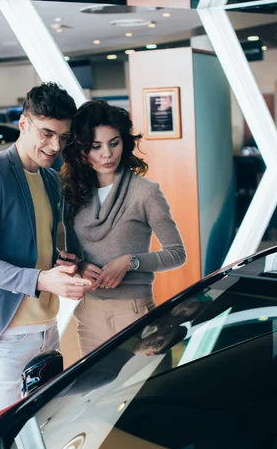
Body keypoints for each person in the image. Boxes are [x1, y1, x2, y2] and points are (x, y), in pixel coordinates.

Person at [0, 82, 92, 414]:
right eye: (46, 133)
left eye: (63, 136)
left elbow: (35, 248)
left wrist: (67, 263)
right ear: (23, 124)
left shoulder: (49, 180)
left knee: (44, 424)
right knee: (7, 430)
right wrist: (43, 280)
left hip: (46, 327)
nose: (55, 145)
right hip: (4, 333)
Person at [59, 99, 186, 356]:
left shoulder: (146, 192)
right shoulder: (72, 193)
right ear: (82, 151)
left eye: (114, 143)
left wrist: (130, 262)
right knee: (96, 395)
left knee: (144, 394)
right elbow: (69, 252)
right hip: (89, 311)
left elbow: (177, 253)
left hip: (134, 311)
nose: (107, 154)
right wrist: (80, 266)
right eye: (96, 147)